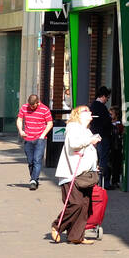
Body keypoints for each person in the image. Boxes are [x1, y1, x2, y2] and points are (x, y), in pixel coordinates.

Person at [50, 106, 100, 245]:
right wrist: (90, 141)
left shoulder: (87, 130)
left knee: (84, 205)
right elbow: (74, 144)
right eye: (87, 111)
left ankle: (76, 236)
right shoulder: (73, 127)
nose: (90, 112)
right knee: (75, 203)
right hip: (72, 172)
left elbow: (89, 151)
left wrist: (94, 165)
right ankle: (57, 226)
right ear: (79, 114)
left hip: (85, 174)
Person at [17, 93, 53, 189]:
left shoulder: (45, 109)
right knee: (30, 161)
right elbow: (20, 119)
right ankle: (34, 178)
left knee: (37, 160)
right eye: (30, 106)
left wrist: (42, 135)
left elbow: (50, 123)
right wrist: (21, 131)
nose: (31, 108)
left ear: (38, 103)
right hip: (28, 138)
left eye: (33, 106)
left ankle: (33, 180)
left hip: (40, 139)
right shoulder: (24, 107)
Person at [88, 86, 113, 188]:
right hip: (103, 137)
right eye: (107, 98)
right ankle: (104, 182)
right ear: (103, 96)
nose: (107, 100)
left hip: (95, 135)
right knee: (103, 159)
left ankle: (97, 181)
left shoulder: (92, 105)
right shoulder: (101, 107)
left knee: (96, 158)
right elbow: (106, 122)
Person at [109, 105, 124, 190]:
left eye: (111, 114)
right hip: (110, 146)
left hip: (116, 147)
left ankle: (115, 181)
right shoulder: (109, 123)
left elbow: (121, 134)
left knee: (116, 164)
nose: (110, 115)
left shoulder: (119, 125)